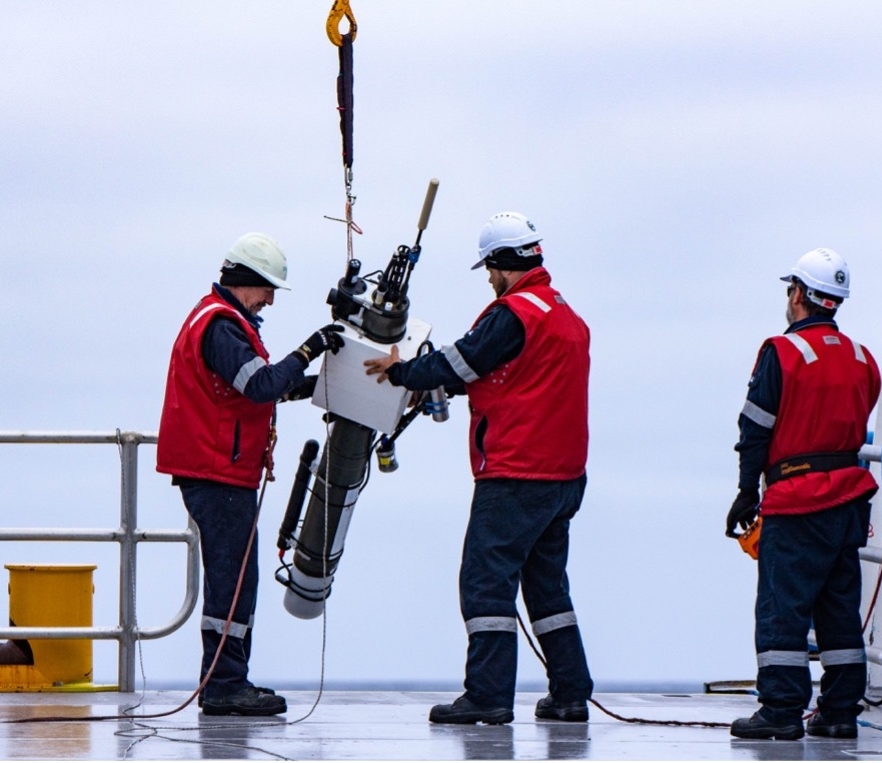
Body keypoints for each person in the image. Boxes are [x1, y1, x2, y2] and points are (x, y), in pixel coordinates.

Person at [364, 211, 594, 725]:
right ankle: (570, 694)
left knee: (485, 584)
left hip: (515, 474)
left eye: (489, 269)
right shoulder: (564, 315)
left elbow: (459, 360)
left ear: (502, 263)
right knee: (547, 588)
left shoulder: (513, 313)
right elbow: (507, 375)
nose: (489, 279)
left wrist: (401, 371)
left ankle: (488, 697)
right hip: (564, 477)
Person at [156, 232, 344, 716]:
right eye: (267, 288)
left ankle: (228, 679)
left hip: (221, 471)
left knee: (237, 580)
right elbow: (261, 384)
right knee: (232, 581)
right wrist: (310, 349)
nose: (271, 299)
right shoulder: (221, 327)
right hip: (216, 473)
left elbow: (260, 387)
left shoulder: (223, 321)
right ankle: (223, 685)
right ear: (245, 282)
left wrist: (319, 388)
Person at [726, 248, 881, 740]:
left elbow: (755, 429)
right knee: (839, 609)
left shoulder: (781, 352)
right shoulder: (862, 358)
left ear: (798, 294)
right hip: (849, 500)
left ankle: (781, 710)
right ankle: (839, 712)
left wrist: (745, 492)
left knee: (782, 607)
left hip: (797, 501)